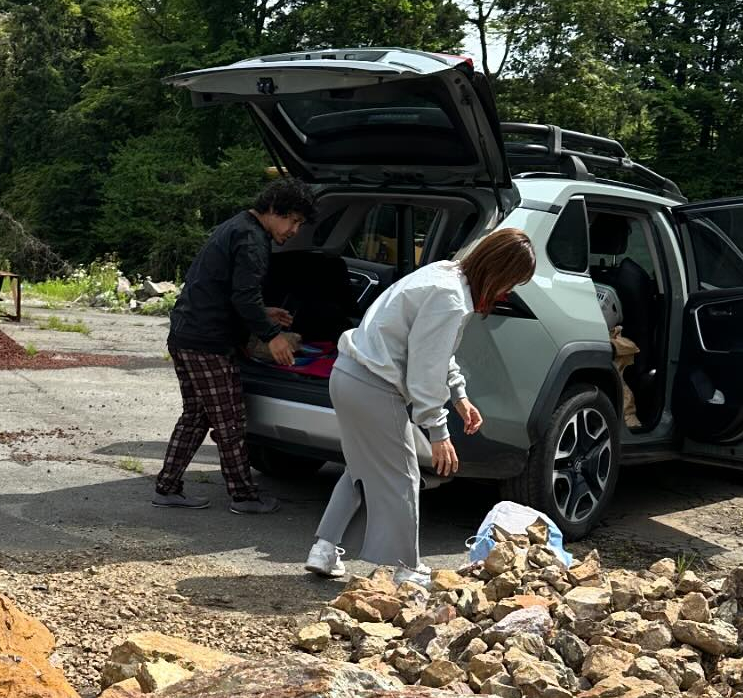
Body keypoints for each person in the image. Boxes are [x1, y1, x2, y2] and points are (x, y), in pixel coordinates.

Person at [304, 228, 538, 582]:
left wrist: (459, 396)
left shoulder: (444, 274)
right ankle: (406, 569)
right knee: (405, 475)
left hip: (347, 375)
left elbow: (438, 353)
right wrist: (438, 430)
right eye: (512, 282)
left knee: (361, 468)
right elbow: (425, 371)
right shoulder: (451, 299)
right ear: (498, 271)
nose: (508, 292)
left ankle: (324, 551)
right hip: (374, 385)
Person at [154, 176, 319, 514]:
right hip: (207, 343)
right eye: (294, 220)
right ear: (275, 209)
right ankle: (244, 496)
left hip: (186, 335)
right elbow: (243, 296)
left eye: (300, 224)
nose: (294, 230)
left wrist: (263, 312)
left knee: (197, 414)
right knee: (229, 420)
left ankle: (167, 487)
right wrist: (272, 335)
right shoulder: (252, 240)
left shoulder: (237, 226)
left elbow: (229, 292)